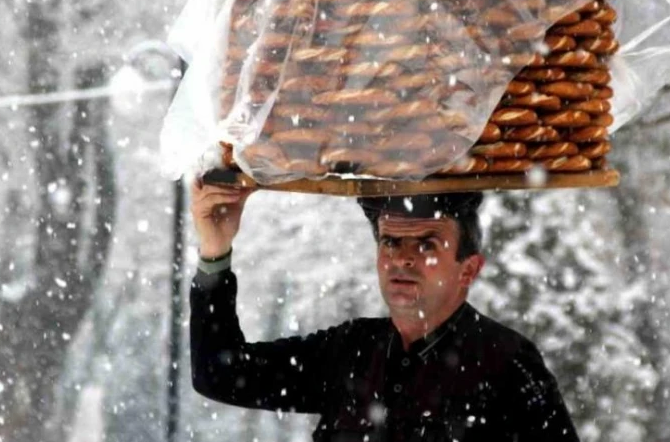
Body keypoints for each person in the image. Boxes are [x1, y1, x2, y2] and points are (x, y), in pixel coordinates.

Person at [189, 179, 581, 442]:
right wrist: (215, 251)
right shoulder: (350, 350)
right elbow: (221, 373)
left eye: (427, 245)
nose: (402, 260)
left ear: (469, 270)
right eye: (391, 243)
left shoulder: (507, 363)